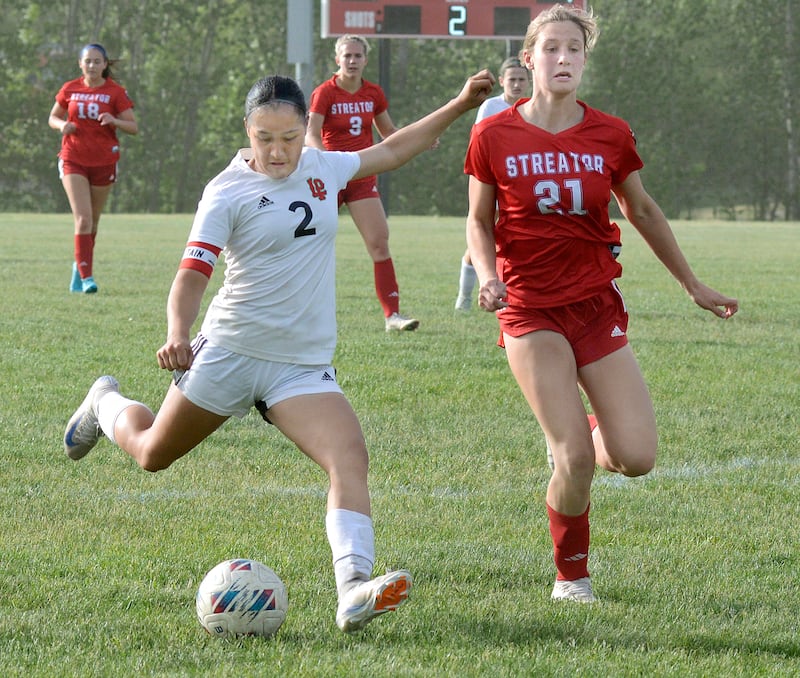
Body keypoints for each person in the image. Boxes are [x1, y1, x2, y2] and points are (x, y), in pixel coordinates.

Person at [63, 70, 494, 631]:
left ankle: (352, 589)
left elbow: (392, 150)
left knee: (349, 458)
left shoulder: (322, 165)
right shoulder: (225, 192)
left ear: (304, 131)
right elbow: (193, 274)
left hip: (300, 365)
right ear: (248, 131)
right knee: (151, 453)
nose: (277, 150)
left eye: (289, 138)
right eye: (265, 138)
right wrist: (176, 332)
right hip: (230, 352)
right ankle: (104, 403)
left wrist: (460, 103)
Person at [464, 6, 738, 604]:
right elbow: (479, 221)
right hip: (529, 309)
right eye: (552, 49)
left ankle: (578, 431)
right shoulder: (493, 133)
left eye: (575, 50)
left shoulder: (611, 132)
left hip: (596, 306)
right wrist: (487, 275)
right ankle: (571, 577)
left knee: (637, 457)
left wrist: (692, 285)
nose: (563, 60)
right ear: (530, 59)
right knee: (574, 461)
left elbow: (641, 211)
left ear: (585, 60)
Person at [305, 35, 419, 332]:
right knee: (307, 242)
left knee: (379, 242)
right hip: (332, 176)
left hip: (362, 174)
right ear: (337, 60)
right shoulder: (325, 93)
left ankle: (392, 316)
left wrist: (420, 140)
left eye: (358, 56)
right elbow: (311, 132)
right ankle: (296, 309)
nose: (352, 61)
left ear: (365, 60)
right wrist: (324, 162)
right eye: (347, 56)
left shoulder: (373, 93)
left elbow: (389, 132)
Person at [48, 43, 138, 294]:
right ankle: (87, 277)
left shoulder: (115, 92)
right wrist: (61, 125)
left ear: (105, 64)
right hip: (73, 157)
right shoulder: (70, 88)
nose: (92, 65)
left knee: (93, 221)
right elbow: (53, 117)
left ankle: (80, 266)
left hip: (104, 161)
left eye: (97, 61)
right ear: (80, 64)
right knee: (83, 218)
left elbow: (133, 126)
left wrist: (114, 120)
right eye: (87, 61)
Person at [455, 56, 530, 311]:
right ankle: (464, 297)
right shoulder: (490, 107)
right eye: (512, 79)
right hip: (495, 181)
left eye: (522, 79)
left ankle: (519, 297)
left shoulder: (534, 107)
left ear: (529, 82)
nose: (517, 84)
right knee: (483, 237)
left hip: (523, 184)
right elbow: (480, 146)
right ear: (501, 81)